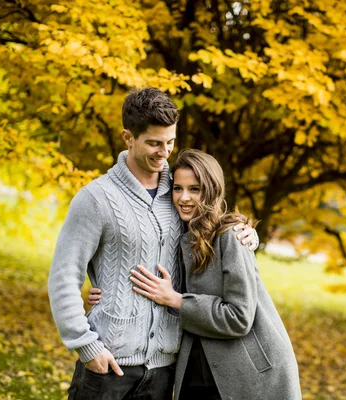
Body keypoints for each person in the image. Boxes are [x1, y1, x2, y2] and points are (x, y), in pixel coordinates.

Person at [48, 88, 257, 400]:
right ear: (128, 138)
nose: (165, 152)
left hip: (164, 371)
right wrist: (85, 345)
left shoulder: (181, 192)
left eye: (171, 141)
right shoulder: (95, 199)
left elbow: (215, 222)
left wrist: (248, 233)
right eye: (154, 143)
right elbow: (64, 276)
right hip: (108, 365)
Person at [117, 149, 302, 400]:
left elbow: (239, 317)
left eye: (195, 189)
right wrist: (102, 293)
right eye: (178, 188)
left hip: (249, 372)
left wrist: (176, 300)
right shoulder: (175, 234)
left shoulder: (231, 237)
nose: (184, 198)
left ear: (211, 191)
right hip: (195, 367)